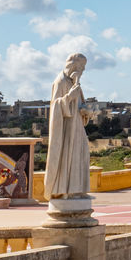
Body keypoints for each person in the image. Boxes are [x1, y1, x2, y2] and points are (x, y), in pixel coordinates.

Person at [44, 53, 90, 200]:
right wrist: (69, 96)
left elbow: (79, 105)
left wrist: (85, 112)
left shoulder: (74, 83)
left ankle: (76, 190)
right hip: (65, 129)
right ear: (74, 66)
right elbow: (55, 106)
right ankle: (64, 190)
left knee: (79, 156)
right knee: (67, 158)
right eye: (81, 67)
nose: (83, 70)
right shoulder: (61, 82)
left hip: (76, 127)